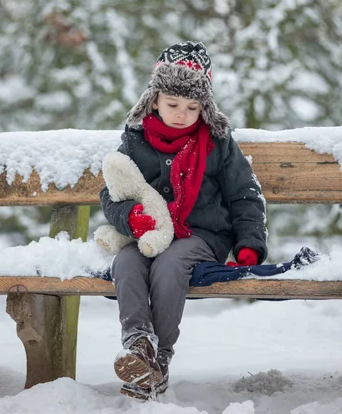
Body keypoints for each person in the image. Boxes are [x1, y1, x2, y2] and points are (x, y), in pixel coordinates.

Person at [99, 40, 267, 399]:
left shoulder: (217, 142)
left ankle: (159, 360)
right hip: (148, 236)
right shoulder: (134, 140)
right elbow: (111, 192)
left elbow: (245, 194)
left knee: (170, 265)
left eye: (192, 107)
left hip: (202, 236)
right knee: (126, 263)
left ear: (204, 106)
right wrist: (130, 217)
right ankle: (138, 345)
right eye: (173, 104)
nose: (181, 113)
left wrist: (249, 243)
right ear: (154, 99)